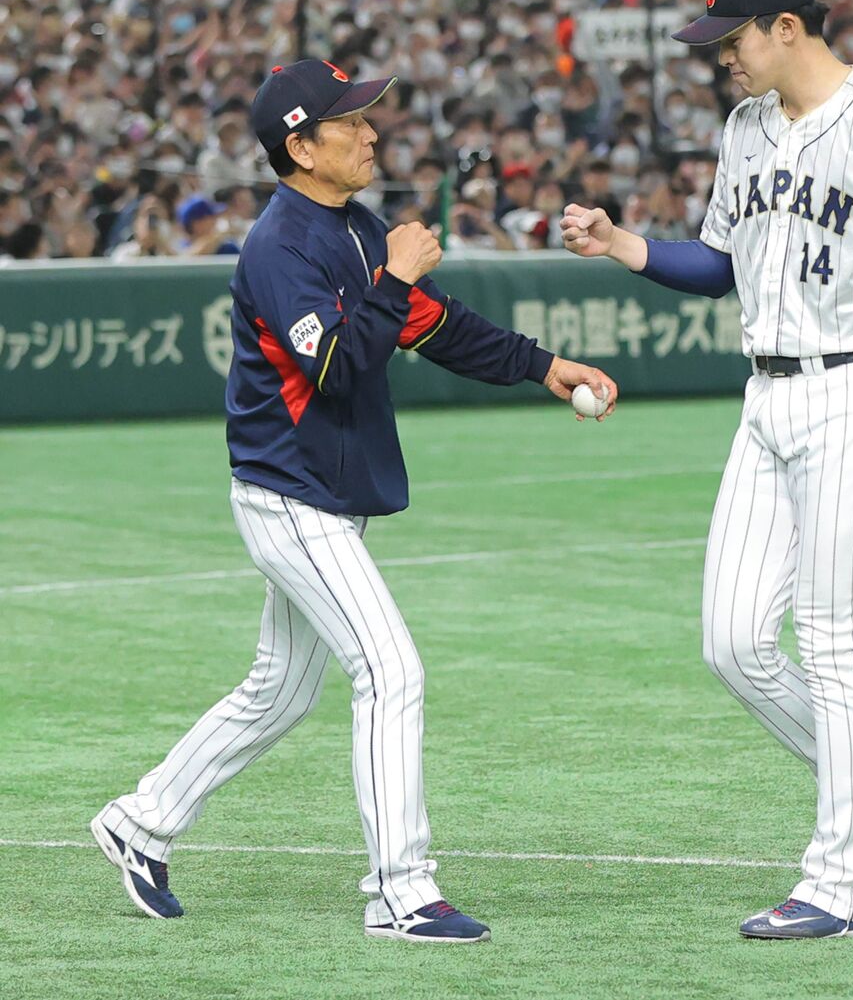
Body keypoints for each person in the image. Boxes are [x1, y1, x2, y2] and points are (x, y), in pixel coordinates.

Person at [92, 58, 617, 944]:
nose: (372, 130)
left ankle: (139, 823)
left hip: (325, 492)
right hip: (289, 494)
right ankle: (401, 891)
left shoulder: (357, 226)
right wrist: (398, 276)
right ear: (299, 146)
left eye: (368, 115)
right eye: (350, 121)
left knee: (279, 691)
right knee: (391, 669)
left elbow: (436, 326)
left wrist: (543, 365)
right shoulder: (277, 246)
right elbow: (336, 363)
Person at [563, 0, 853, 940]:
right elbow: (720, 266)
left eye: (733, 38)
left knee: (834, 643)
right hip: (766, 399)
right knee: (731, 640)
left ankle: (838, 883)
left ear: (790, 28)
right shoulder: (745, 128)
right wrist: (623, 245)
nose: (720, 55)